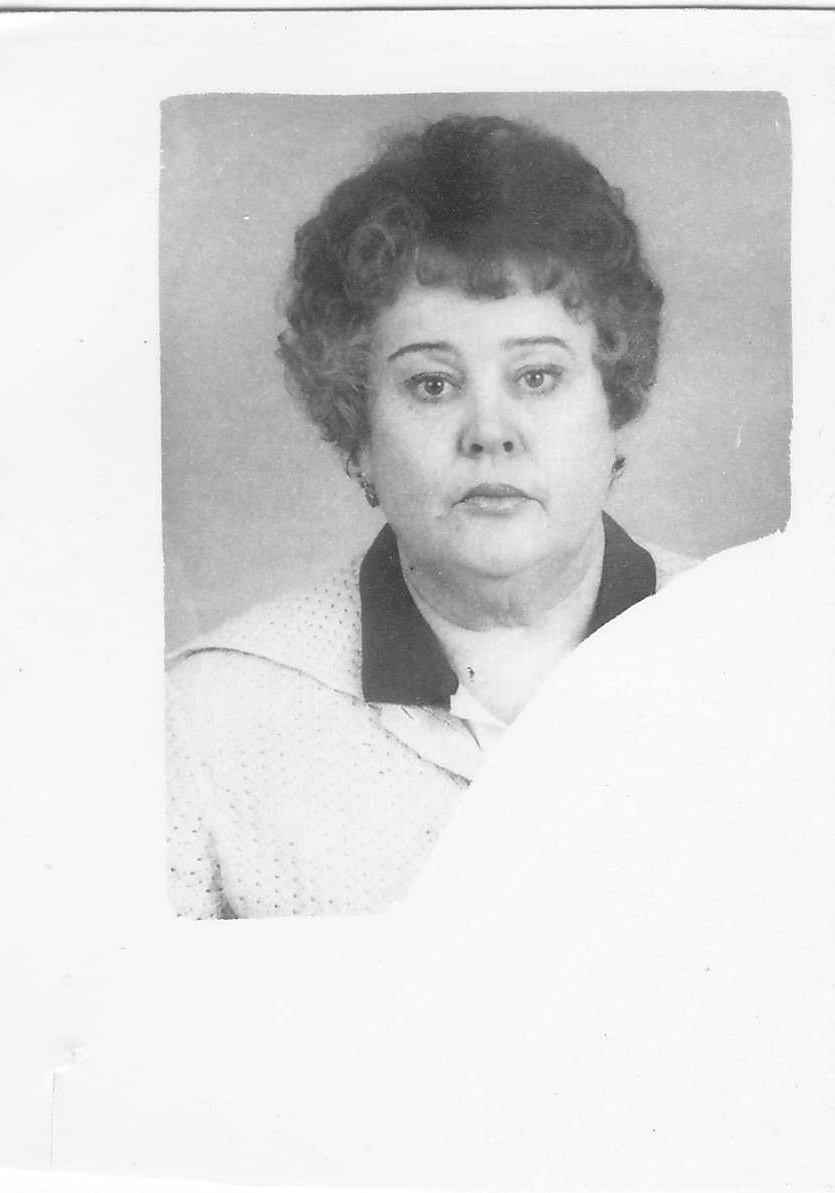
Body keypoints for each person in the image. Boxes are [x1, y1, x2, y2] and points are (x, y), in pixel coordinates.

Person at [166, 114, 696, 920]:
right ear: (358, 429)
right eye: (432, 384)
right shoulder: (209, 717)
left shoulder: (768, 660)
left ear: (612, 402)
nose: (490, 431)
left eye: (537, 375)